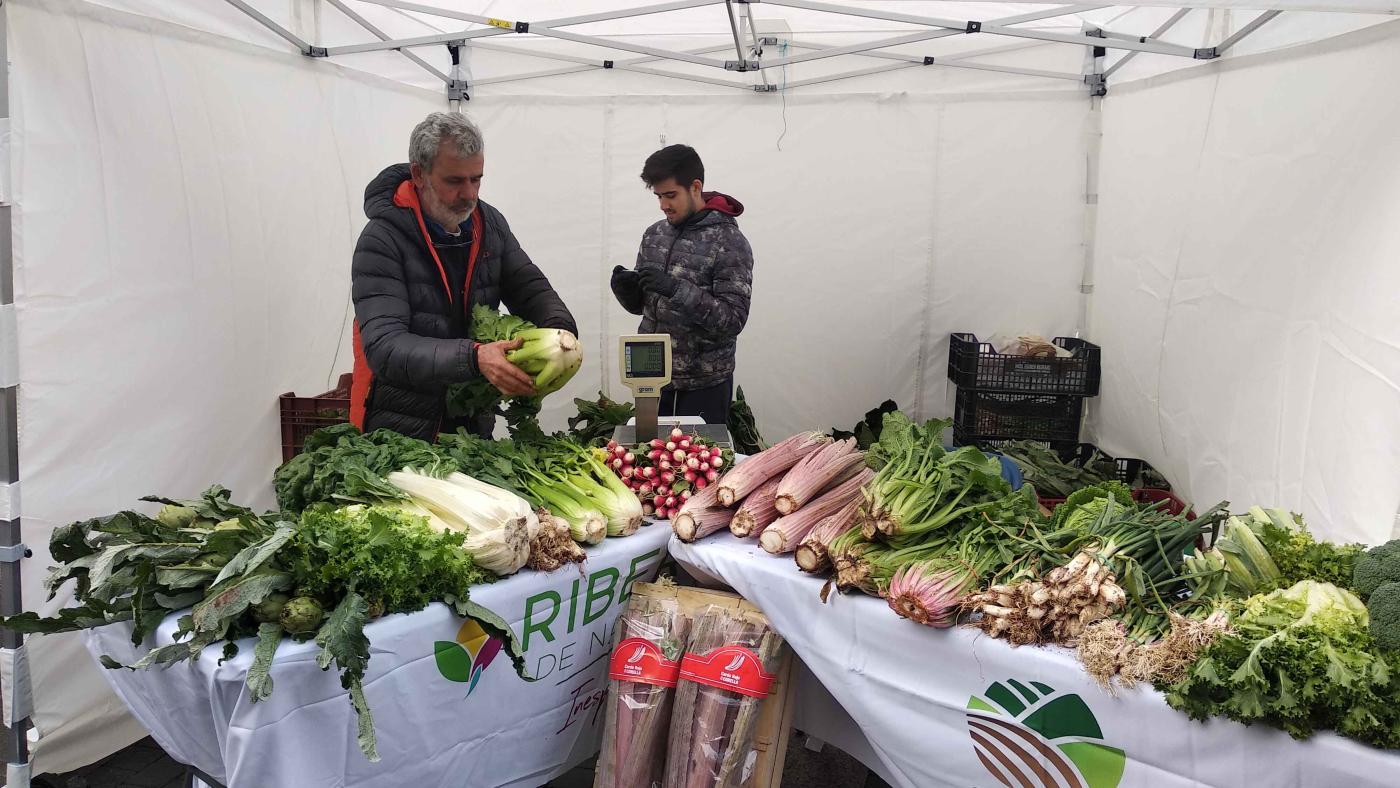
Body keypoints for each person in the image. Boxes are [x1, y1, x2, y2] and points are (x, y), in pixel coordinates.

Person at [350, 112, 577, 441]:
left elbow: (530, 289)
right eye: (455, 181)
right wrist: (474, 357)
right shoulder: (382, 240)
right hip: (400, 429)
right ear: (419, 174)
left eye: (477, 179)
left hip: (470, 423)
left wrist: (561, 337)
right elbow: (385, 347)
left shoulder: (489, 224)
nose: (469, 194)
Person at [610, 144, 753, 425]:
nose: (663, 204)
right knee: (650, 459)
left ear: (695, 187)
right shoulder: (654, 235)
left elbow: (733, 320)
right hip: (651, 376)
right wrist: (627, 292)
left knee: (699, 465)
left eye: (671, 195)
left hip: (704, 385)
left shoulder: (729, 242)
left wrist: (676, 289)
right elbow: (644, 307)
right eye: (659, 196)